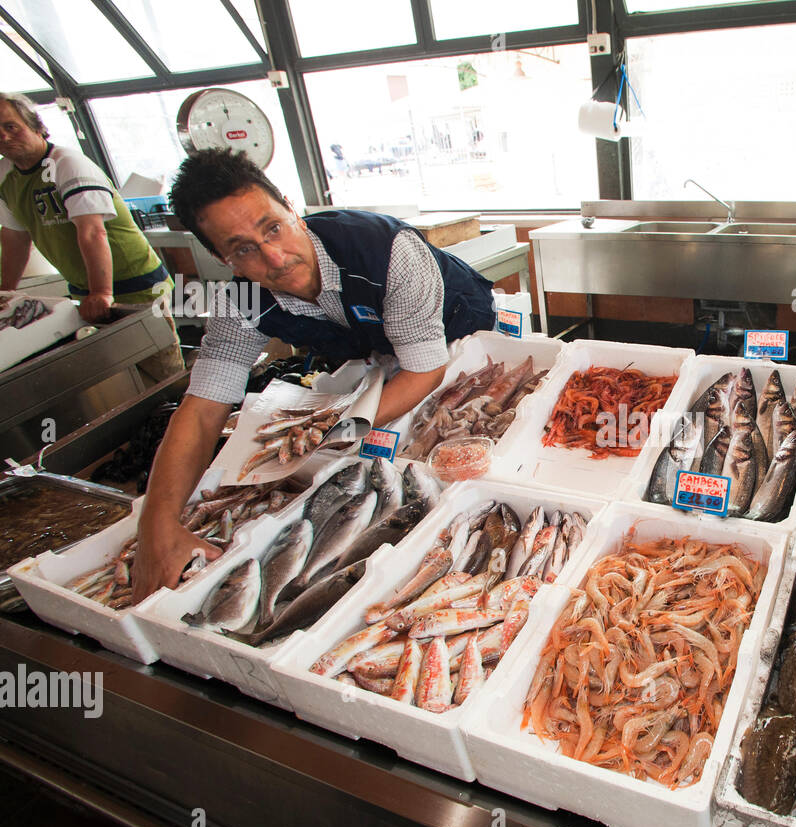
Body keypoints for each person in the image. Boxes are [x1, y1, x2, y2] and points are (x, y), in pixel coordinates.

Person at [130, 147, 496, 601]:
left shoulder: (385, 251)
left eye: (273, 227)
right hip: (379, 351)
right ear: (223, 259)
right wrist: (157, 524)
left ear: (291, 207)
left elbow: (425, 370)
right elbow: (203, 409)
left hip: (460, 331)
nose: (276, 258)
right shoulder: (238, 300)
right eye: (244, 249)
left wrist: (329, 434)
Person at [0, 92, 181, 377]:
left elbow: (93, 231)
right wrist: (6, 292)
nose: (5, 137)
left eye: (11, 126)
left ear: (35, 125)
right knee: (120, 371)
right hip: (83, 288)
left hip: (134, 283)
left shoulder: (68, 164)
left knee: (159, 368)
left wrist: (101, 292)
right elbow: (14, 238)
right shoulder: (5, 176)